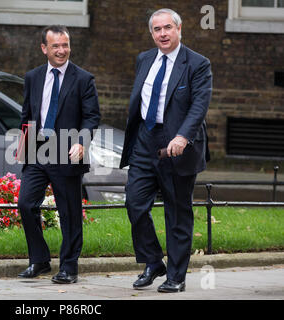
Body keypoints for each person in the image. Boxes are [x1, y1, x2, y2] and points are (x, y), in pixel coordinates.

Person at [120, 8, 212, 293]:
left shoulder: (197, 63)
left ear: (179, 28)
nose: (162, 33)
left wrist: (184, 136)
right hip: (145, 142)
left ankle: (176, 275)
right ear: (151, 33)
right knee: (134, 203)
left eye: (167, 28)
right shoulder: (144, 59)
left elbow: (199, 105)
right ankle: (152, 262)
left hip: (177, 146)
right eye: (157, 29)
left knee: (177, 213)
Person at [17, 25, 100, 284]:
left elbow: (91, 117)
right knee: (26, 204)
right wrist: (24, 151)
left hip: (68, 151)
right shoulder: (33, 77)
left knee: (70, 212)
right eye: (56, 46)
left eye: (65, 45)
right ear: (44, 48)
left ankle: (69, 267)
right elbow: (27, 115)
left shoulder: (83, 79)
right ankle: (39, 260)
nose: (62, 50)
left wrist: (82, 142)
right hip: (38, 152)